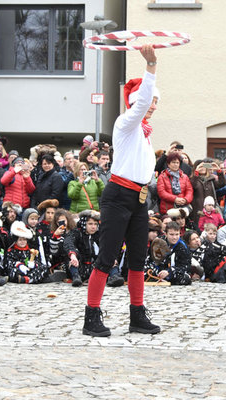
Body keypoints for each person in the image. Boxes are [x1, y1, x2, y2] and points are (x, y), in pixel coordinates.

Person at [82, 45, 160, 337]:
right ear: (137, 100)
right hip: (118, 196)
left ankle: (137, 315)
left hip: (139, 199)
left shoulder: (143, 133)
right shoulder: (125, 122)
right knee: (107, 257)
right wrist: (151, 65)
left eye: (155, 101)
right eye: (149, 100)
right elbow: (139, 106)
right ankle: (91, 316)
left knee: (139, 258)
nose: (153, 105)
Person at [189, 159, 225, 225]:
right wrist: (196, 172)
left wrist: (219, 171)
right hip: (198, 210)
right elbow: (193, 185)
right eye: (201, 166)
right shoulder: (192, 179)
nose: (203, 168)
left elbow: (221, 183)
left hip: (211, 210)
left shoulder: (211, 179)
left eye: (204, 166)